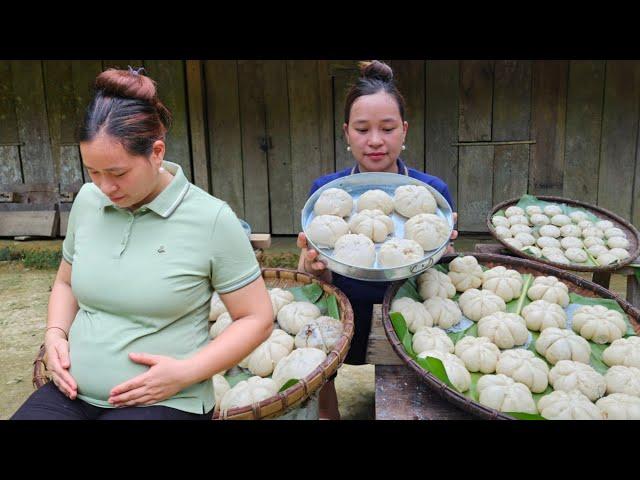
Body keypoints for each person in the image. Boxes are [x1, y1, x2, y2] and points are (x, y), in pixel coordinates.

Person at [11, 67, 273, 420]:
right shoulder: (88, 202)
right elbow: (65, 282)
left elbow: (256, 318)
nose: (105, 187)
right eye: (93, 171)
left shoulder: (210, 219)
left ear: (157, 152)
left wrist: (187, 372)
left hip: (166, 401)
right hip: (72, 392)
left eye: (118, 173)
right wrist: (56, 335)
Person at [297, 60, 458, 420]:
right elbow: (312, 279)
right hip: (346, 303)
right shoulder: (326, 193)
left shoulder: (432, 193)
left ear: (404, 130)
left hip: (405, 307)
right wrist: (311, 268)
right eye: (362, 129)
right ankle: (327, 410)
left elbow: (438, 275)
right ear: (346, 133)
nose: (374, 141)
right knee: (313, 338)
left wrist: (444, 252)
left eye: (387, 129)